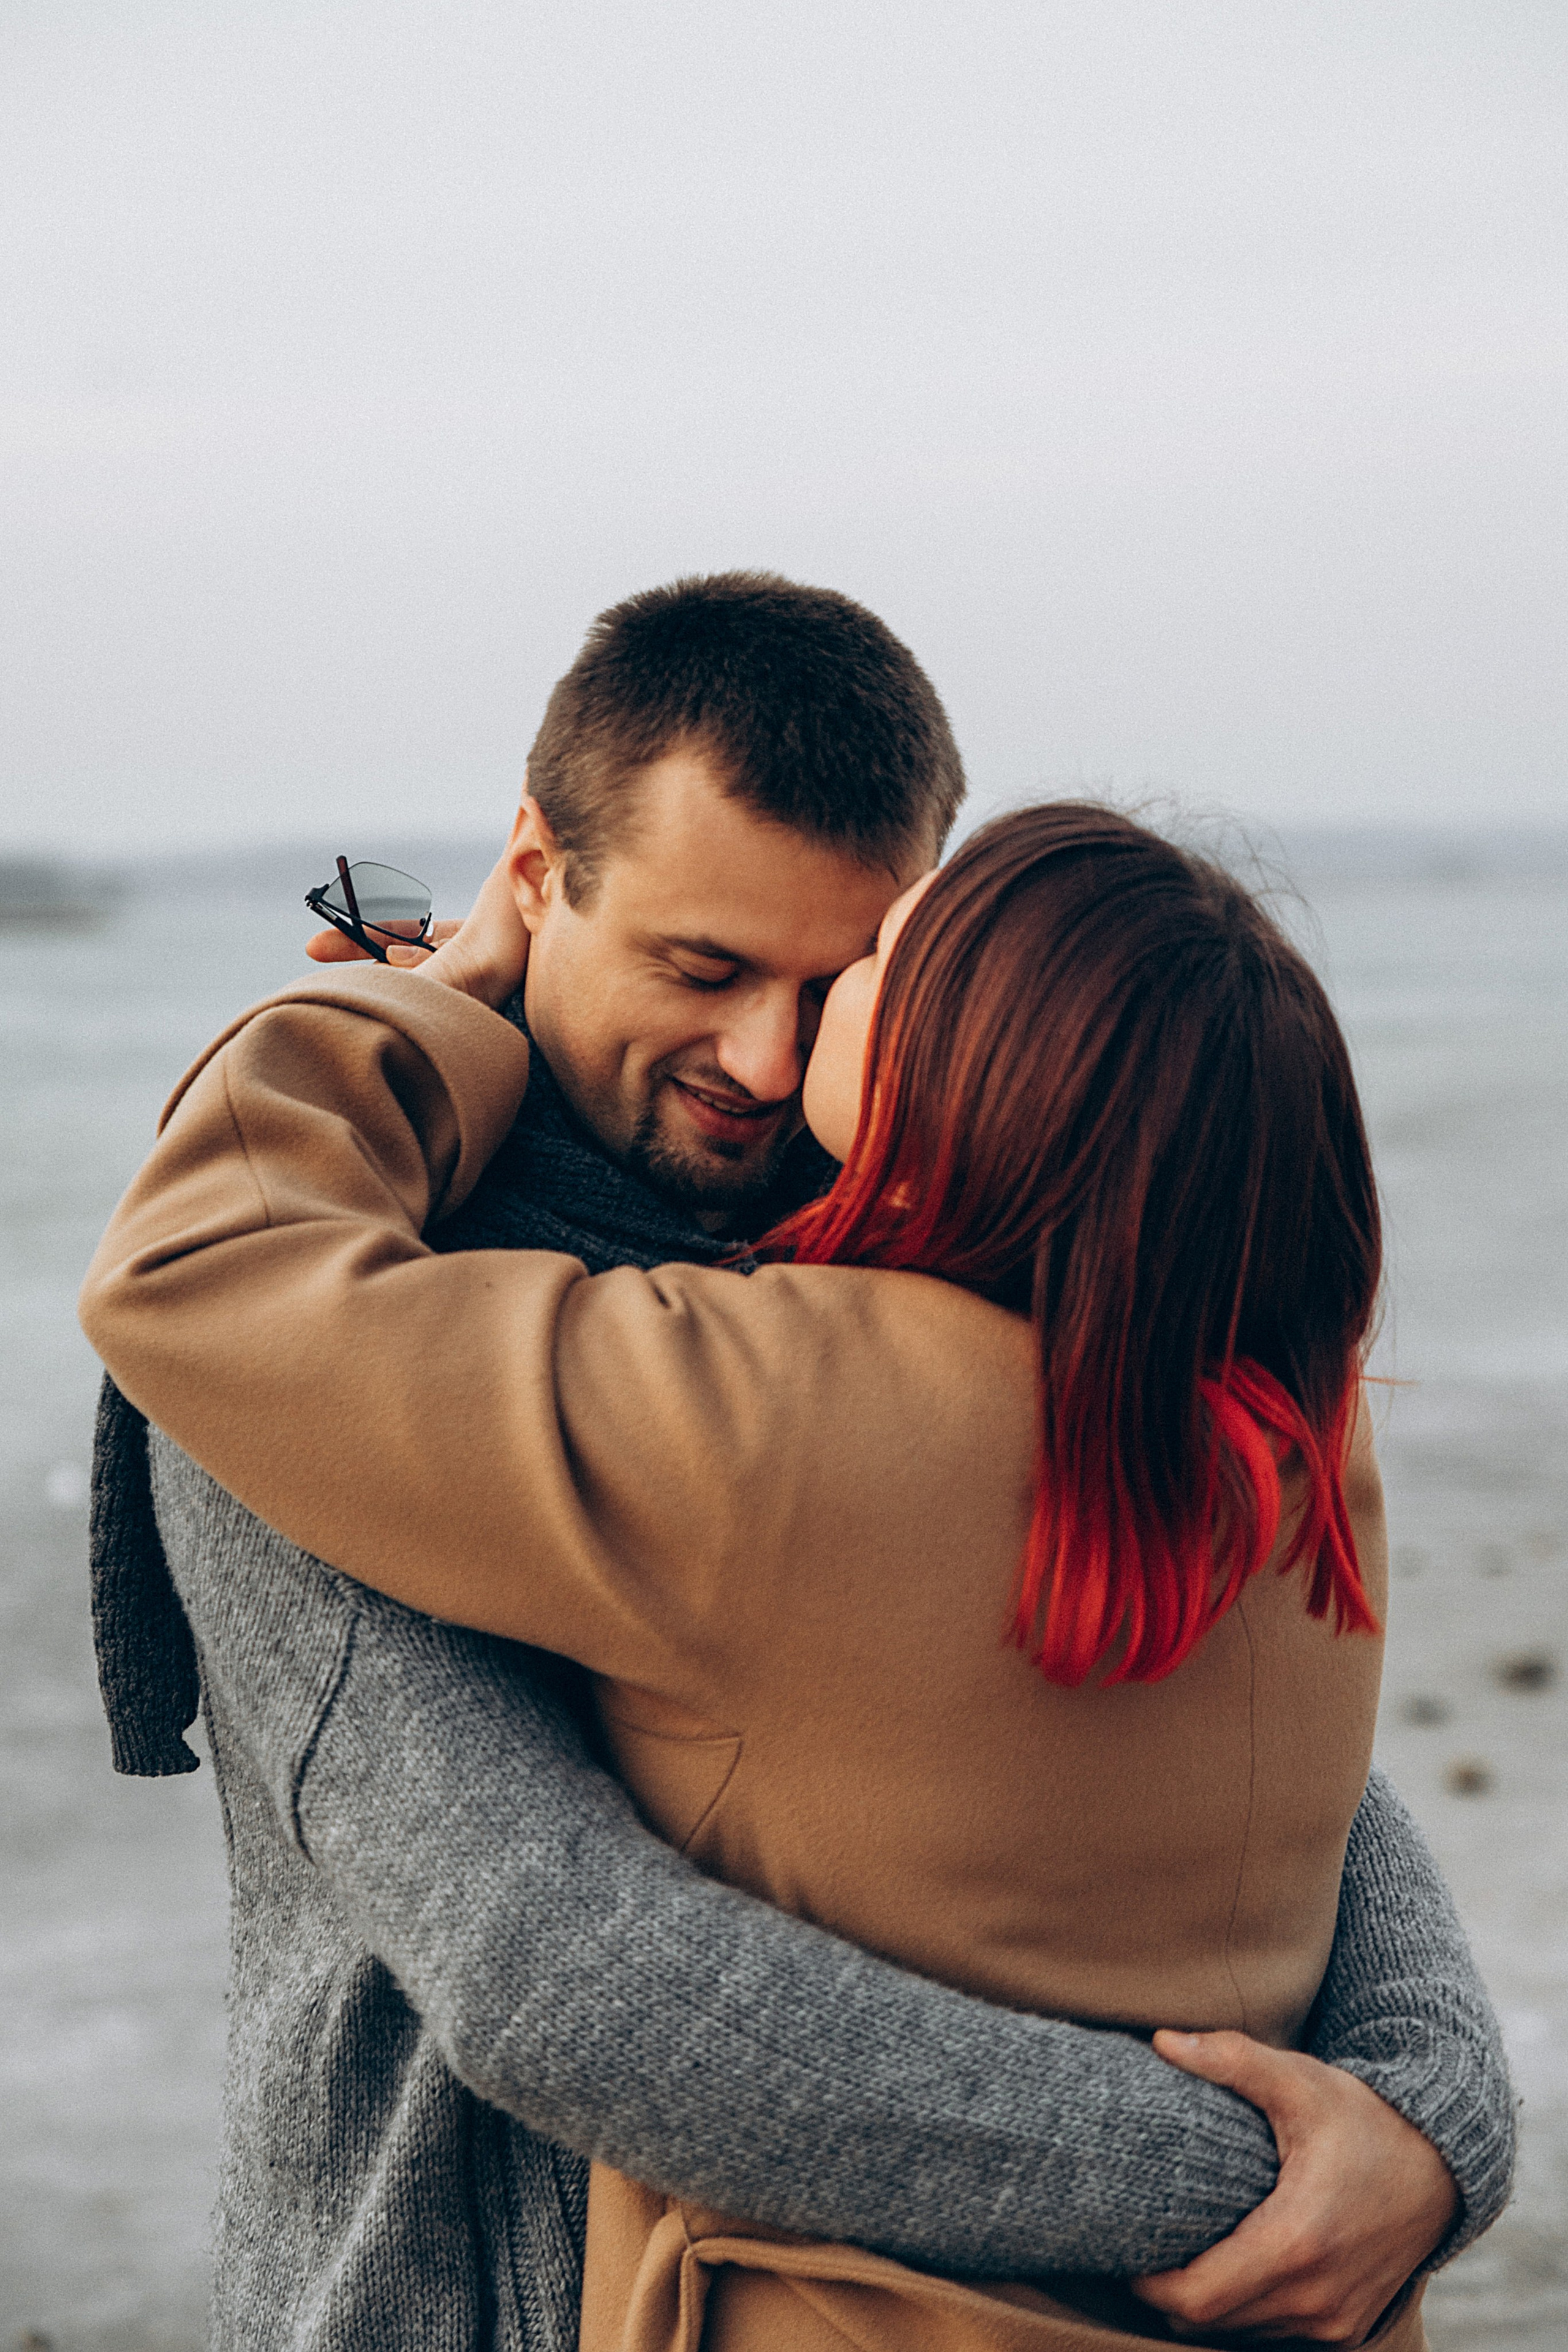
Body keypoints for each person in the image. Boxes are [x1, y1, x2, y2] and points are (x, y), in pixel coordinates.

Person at [83, 699, 1513, 2350]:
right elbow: (550, 1957)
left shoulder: (777, 1388)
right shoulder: (1279, 1422)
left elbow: (192, 1266)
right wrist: (1347, 2145)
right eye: (704, 970)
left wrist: (410, 1016)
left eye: (844, 983)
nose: (768, 1059)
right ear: (536, 878)